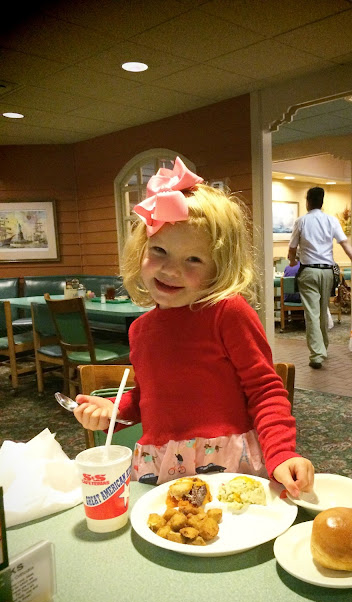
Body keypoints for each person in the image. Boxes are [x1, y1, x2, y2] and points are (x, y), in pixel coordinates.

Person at [73, 157, 314, 498]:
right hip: (160, 466)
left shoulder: (228, 313)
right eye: (159, 250)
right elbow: (149, 396)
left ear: (219, 268)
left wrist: (282, 453)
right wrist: (116, 409)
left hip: (228, 465)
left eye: (193, 259)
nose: (170, 270)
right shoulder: (140, 330)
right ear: (141, 249)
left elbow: (265, 391)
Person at [288, 186, 352, 369]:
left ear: (307, 201)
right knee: (323, 310)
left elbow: (292, 248)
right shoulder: (331, 220)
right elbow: (345, 244)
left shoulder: (301, 221)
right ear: (322, 202)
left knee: (311, 313)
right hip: (328, 271)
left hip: (309, 271)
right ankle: (324, 347)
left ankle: (317, 354)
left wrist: (292, 261)